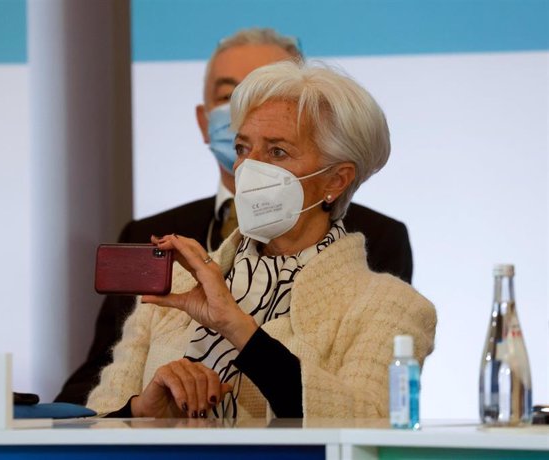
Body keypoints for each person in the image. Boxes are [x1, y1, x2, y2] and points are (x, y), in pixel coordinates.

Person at [55, 28, 413, 405]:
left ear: (336, 179)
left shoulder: (389, 305)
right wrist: (143, 411)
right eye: (243, 147)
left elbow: (363, 419)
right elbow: (99, 416)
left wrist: (238, 327)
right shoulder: (174, 285)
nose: (249, 168)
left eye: (277, 152)